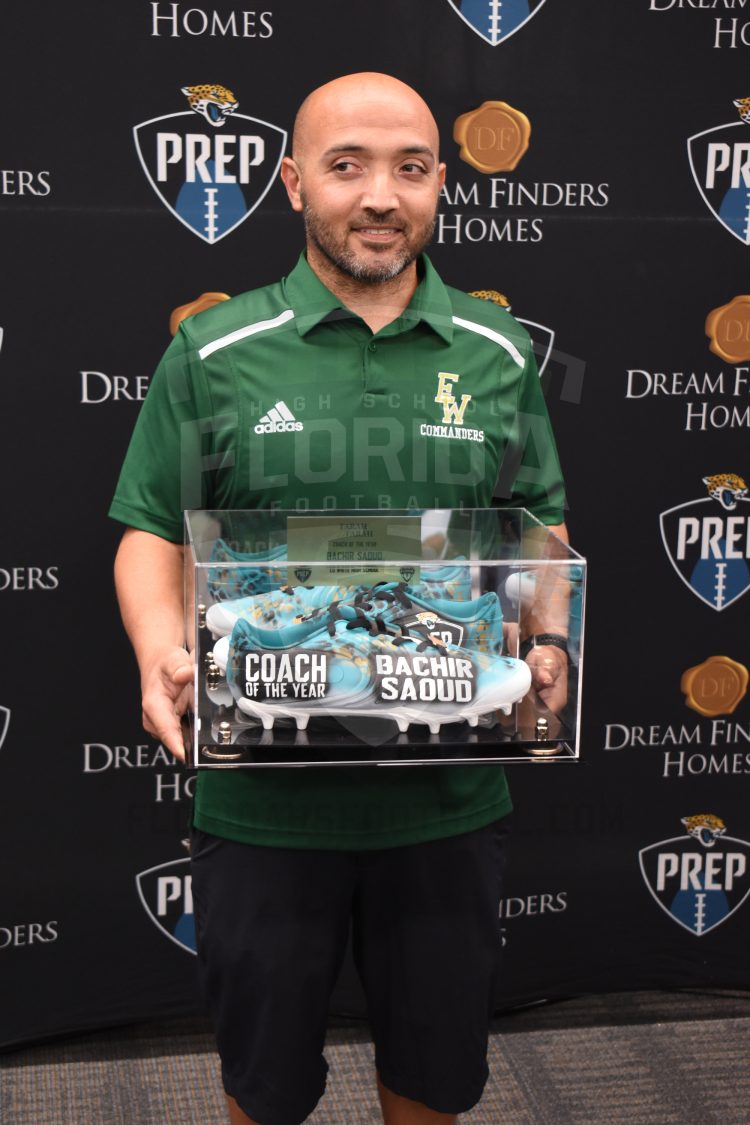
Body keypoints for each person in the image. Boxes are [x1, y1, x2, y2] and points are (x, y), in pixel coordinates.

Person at [110, 73, 569, 1125]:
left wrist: (547, 627)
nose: (379, 195)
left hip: (447, 800)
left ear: (441, 184)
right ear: (292, 183)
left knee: (434, 1076)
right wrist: (153, 649)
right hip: (265, 802)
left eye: (409, 168)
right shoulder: (213, 351)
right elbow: (149, 525)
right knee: (263, 1087)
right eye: (347, 165)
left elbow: (538, 525)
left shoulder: (498, 356)